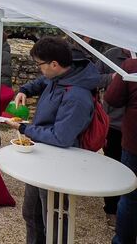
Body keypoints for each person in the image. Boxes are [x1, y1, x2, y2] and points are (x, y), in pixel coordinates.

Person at [7, 36, 100, 244]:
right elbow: (43, 81)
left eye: (39, 64)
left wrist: (24, 128)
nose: (38, 69)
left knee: (54, 221)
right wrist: (24, 90)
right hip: (40, 155)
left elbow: (61, 137)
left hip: (58, 165)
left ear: (54, 64)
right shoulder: (60, 74)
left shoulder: (77, 97)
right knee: (31, 213)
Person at [104, 53, 137, 244]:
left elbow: (113, 98)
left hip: (134, 142)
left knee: (131, 196)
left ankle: (123, 240)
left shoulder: (131, 65)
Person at [98, 45, 131, 228]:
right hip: (114, 125)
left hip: (132, 127)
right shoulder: (111, 55)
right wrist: (112, 78)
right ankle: (111, 209)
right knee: (112, 167)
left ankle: (127, 211)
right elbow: (94, 78)